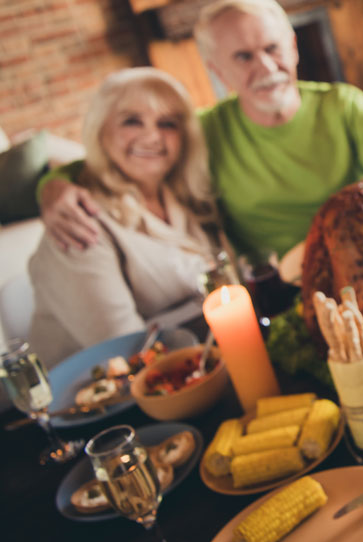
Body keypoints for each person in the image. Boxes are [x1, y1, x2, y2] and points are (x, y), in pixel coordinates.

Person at [38, 0, 363, 259]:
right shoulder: (204, 130)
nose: (267, 67)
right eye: (244, 57)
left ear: (292, 46)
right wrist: (52, 187)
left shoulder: (343, 105)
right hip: (280, 291)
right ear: (218, 71)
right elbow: (104, 160)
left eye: (273, 48)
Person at [27, 69, 223, 366]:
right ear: (100, 131)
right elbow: (127, 352)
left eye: (167, 123)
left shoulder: (185, 197)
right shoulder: (77, 222)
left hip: (201, 358)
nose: (152, 136)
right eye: (132, 121)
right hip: (100, 395)